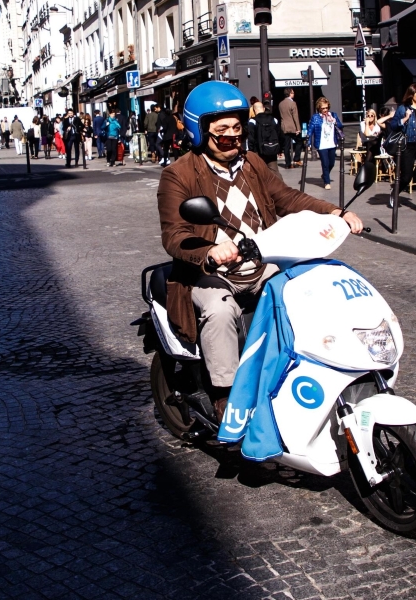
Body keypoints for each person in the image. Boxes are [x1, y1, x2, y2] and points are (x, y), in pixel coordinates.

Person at [155, 81, 362, 417]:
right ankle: (227, 396)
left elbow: (288, 199)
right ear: (199, 130)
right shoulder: (177, 175)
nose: (232, 137)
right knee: (220, 312)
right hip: (211, 274)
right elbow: (174, 233)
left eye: (237, 128)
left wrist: (336, 213)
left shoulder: (252, 163)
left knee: (304, 292)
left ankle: (308, 369)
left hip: (260, 261)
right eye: (222, 130)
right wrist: (208, 252)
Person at [388, 84, 416, 213]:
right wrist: (405, 119)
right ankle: (395, 192)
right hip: (408, 145)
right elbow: (393, 125)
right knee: (407, 176)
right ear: (412, 95)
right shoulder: (403, 109)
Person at [308, 97, 343, 190]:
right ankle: (327, 182)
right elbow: (310, 130)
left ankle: (324, 175)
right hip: (321, 144)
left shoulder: (333, 115)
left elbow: (341, 125)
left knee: (331, 163)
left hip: (331, 143)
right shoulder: (315, 117)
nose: (325, 110)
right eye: (323, 108)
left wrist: (335, 121)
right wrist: (308, 142)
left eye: (326, 108)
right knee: (325, 163)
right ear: (319, 108)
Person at [247, 99, 284, 179]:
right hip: (272, 149)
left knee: (258, 172)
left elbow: (251, 138)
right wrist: (280, 149)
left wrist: (250, 151)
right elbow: (280, 135)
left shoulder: (252, 121)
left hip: (258, 151)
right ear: (263, 109)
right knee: (274, 171)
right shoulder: (274, 119)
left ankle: (261, 189)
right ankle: (281, 188)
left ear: (254, 110)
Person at [278, 88, 302, 168]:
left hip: (284, 127)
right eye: (293, 93)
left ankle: (288, 163)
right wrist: (298, 128)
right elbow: (295, 117)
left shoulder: (280, 104)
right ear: (290, 94)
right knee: (299, 142)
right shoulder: (292, 103)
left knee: (286, 146)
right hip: (292, 127)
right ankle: (296, 158)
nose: (294, 94)